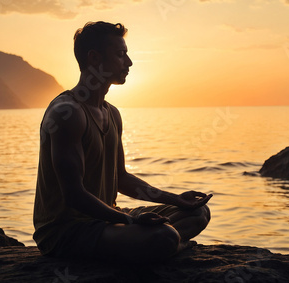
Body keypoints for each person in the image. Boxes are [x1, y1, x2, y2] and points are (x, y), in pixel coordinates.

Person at [33, 21, 212, 263]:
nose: (128, 63)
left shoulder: (112, 113)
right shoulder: (68, 113)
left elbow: (122, 178)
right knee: (163, 236)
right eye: (120, 55)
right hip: (67, 231)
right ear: (94, 58)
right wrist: (130, 221)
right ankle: (171, 246)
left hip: (107, 219)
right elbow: (74, 195)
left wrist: (175, 199)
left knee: (197, 213)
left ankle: (158, 245)